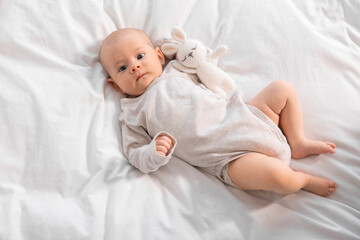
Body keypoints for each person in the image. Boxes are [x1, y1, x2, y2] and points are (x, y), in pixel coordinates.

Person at [99, 28, 337, 197]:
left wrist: (176, 47)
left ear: (159, 55)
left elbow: (196, 53)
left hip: (249, 116)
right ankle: (303, 180)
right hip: (230, 158)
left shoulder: (176, 70)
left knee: (282, 89)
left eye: (140, 56)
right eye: (122, 67)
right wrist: (153, 151)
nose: (135, 66)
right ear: (115, 85)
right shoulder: (132, 112)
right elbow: (134, 153)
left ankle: (297, 141)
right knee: (280, 177)